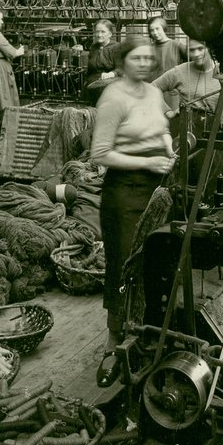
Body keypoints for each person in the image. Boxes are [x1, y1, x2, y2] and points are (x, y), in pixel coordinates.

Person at [88, 35, 176, 384]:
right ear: (122, 63)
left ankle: (145, 334)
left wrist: (168, 147)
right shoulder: (113, 97)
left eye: (148, 58)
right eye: (136, 58)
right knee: (123, 268)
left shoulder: (153, 93)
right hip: (123, 194)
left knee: (152, 264)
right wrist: (147, 162)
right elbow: (99, 154)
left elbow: (162, 128)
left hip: (153, 191)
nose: (143, 64)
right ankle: (113, 342)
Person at [153, 39, 222, 115]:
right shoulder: (180, 71)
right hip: (190, 122)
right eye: (192, 50)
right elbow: (152, 88)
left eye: (200, 49)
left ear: (209, 49)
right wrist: (167, 111)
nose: (196, 54)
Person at [82, 18, 119, 105]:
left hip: (110, 85)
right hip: (92, 86)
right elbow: (90, 70)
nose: (99, 35)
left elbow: (122, 68)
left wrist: (111, 74)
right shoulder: (93, 48)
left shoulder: (116, 47)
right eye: (97, 32)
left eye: (103, 32)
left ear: (110, 34)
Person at [145, 15, 184, 82]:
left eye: (157, 29)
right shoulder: (149, 49)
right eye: (152, 30)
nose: (155, 33)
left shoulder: (176, 45)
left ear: (163, 28)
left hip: (173, 86)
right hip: (154, 86)